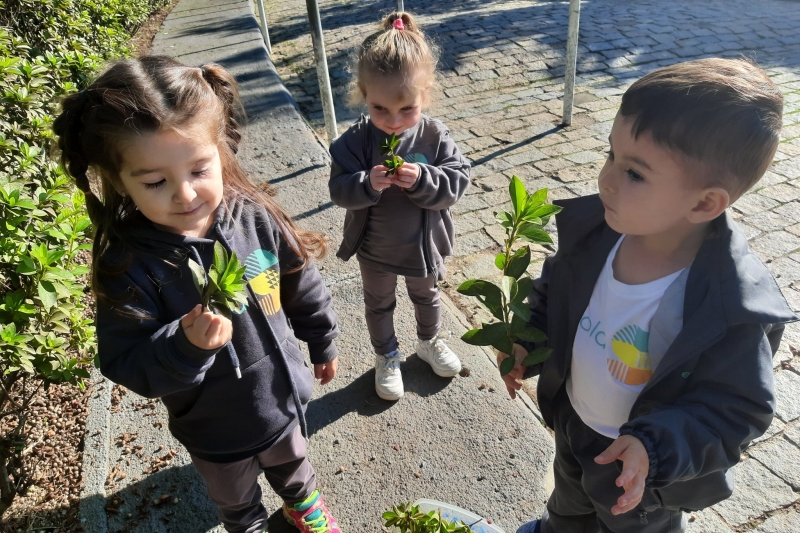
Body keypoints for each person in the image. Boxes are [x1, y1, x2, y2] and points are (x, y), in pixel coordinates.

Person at [501, 58, 798, 533]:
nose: (606, 180)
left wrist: (654, 448)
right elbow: (556, 293)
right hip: (576, 424)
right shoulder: (598, 233)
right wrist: (526, 341)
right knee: (568, 502)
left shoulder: (726, 306)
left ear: (704, 203)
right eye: (610, 155)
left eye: (635, 173)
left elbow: (735, 409)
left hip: (642, 472)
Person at [54, 56, 342, 533]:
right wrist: (185, 344)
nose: (185, 195)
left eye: (199, 170)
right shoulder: (131, 265)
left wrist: (321, 338)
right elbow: (125, 360)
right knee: (234, 496)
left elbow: (297, 278)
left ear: (220, 151)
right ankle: (245, 524)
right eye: (155, 182)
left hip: (282, 396)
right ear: (119, 181)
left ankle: (303, 505)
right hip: (213, 428)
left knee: (294, 464)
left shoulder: (252, 214)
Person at [328, 12, 471, 401]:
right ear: (363, 94)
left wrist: (425, 180)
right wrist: (365, 183)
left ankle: (429, 341)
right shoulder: (353, 142)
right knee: (379, 302)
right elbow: (338, 190)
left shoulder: (435, 136)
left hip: (422, 247)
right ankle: (386, 355)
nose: (393, 121)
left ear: (425, 95)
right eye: (379, 109)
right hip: (374, 250)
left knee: (427, 296)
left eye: (407, 108)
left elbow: (458, 181)